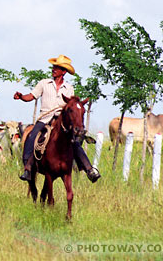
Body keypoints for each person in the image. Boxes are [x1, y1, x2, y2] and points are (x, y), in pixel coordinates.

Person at [13, 55, 101, 183]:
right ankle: (27, 168)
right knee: (32, 136)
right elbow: (31, 96)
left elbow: (70, 106)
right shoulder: (44, 83)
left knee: (74, 143)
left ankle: (89, 169)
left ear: (63, 71)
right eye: (54, 67)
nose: (53, 69)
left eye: (57, 67)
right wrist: (21, 96)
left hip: (61, 121)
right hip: (45, 119)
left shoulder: (69, 88)